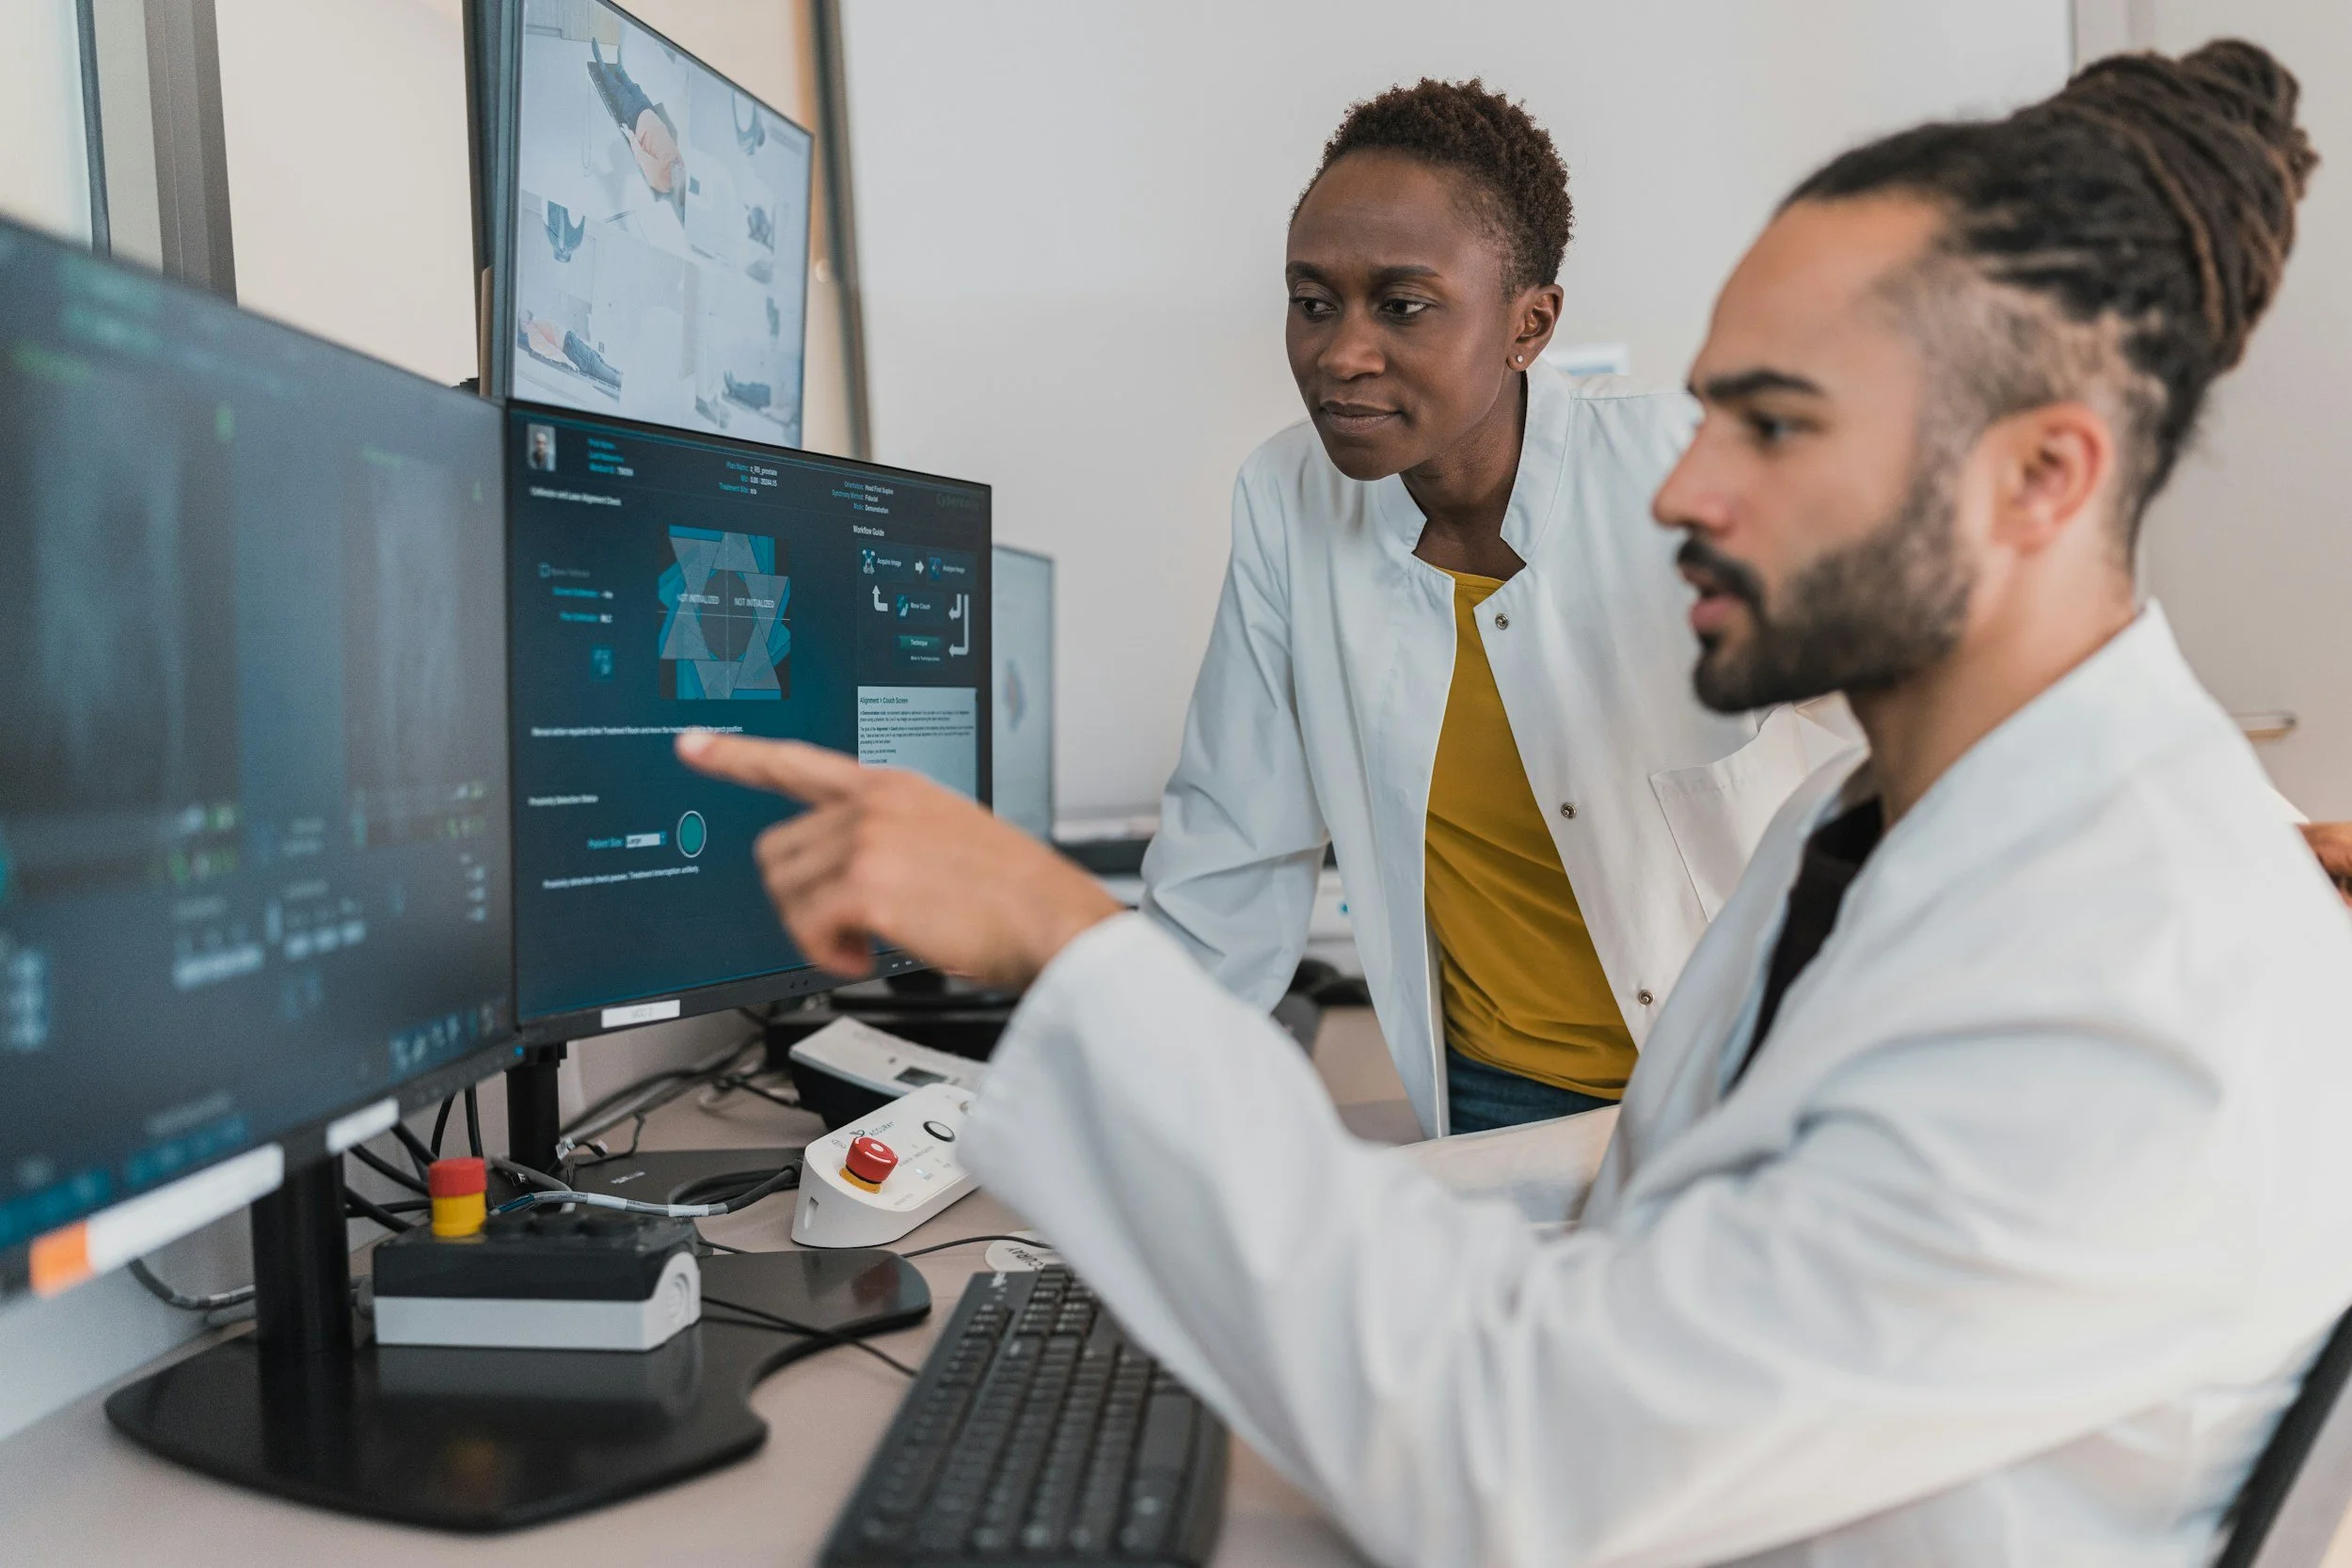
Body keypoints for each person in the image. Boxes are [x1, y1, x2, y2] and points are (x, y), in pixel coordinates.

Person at [684, 40, 2352, 1564]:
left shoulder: (2124, 976)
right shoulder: (1858, 831)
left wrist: (1068, 947)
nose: (1683, 488)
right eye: (1708, 413)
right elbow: (1655, 1204)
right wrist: (1162, 1186)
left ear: (2042, 475)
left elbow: (1528, 1463)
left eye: (1771, 424)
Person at [1143, 81, 1851, 1137]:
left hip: (1755, 1092)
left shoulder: (1697, 471)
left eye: (1403, 304)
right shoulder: (1288, 501)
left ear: (1530, 325)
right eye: (1312, 300)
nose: (1341, 351)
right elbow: (1228, 860)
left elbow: (1919, 754)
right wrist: (1115, 1126)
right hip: (1496, 1111)